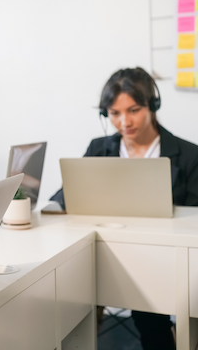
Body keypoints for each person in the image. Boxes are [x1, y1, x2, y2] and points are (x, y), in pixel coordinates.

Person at [51, 67, 198, 350]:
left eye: (134, 110)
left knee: (149, 315)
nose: (124, 122)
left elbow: (193, 222)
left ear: (152, 106)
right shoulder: (98, 149)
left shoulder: (189, 155)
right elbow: (65, 195)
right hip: (102, 254)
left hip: (161, 261)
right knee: (66, 298)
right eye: (115, 113)